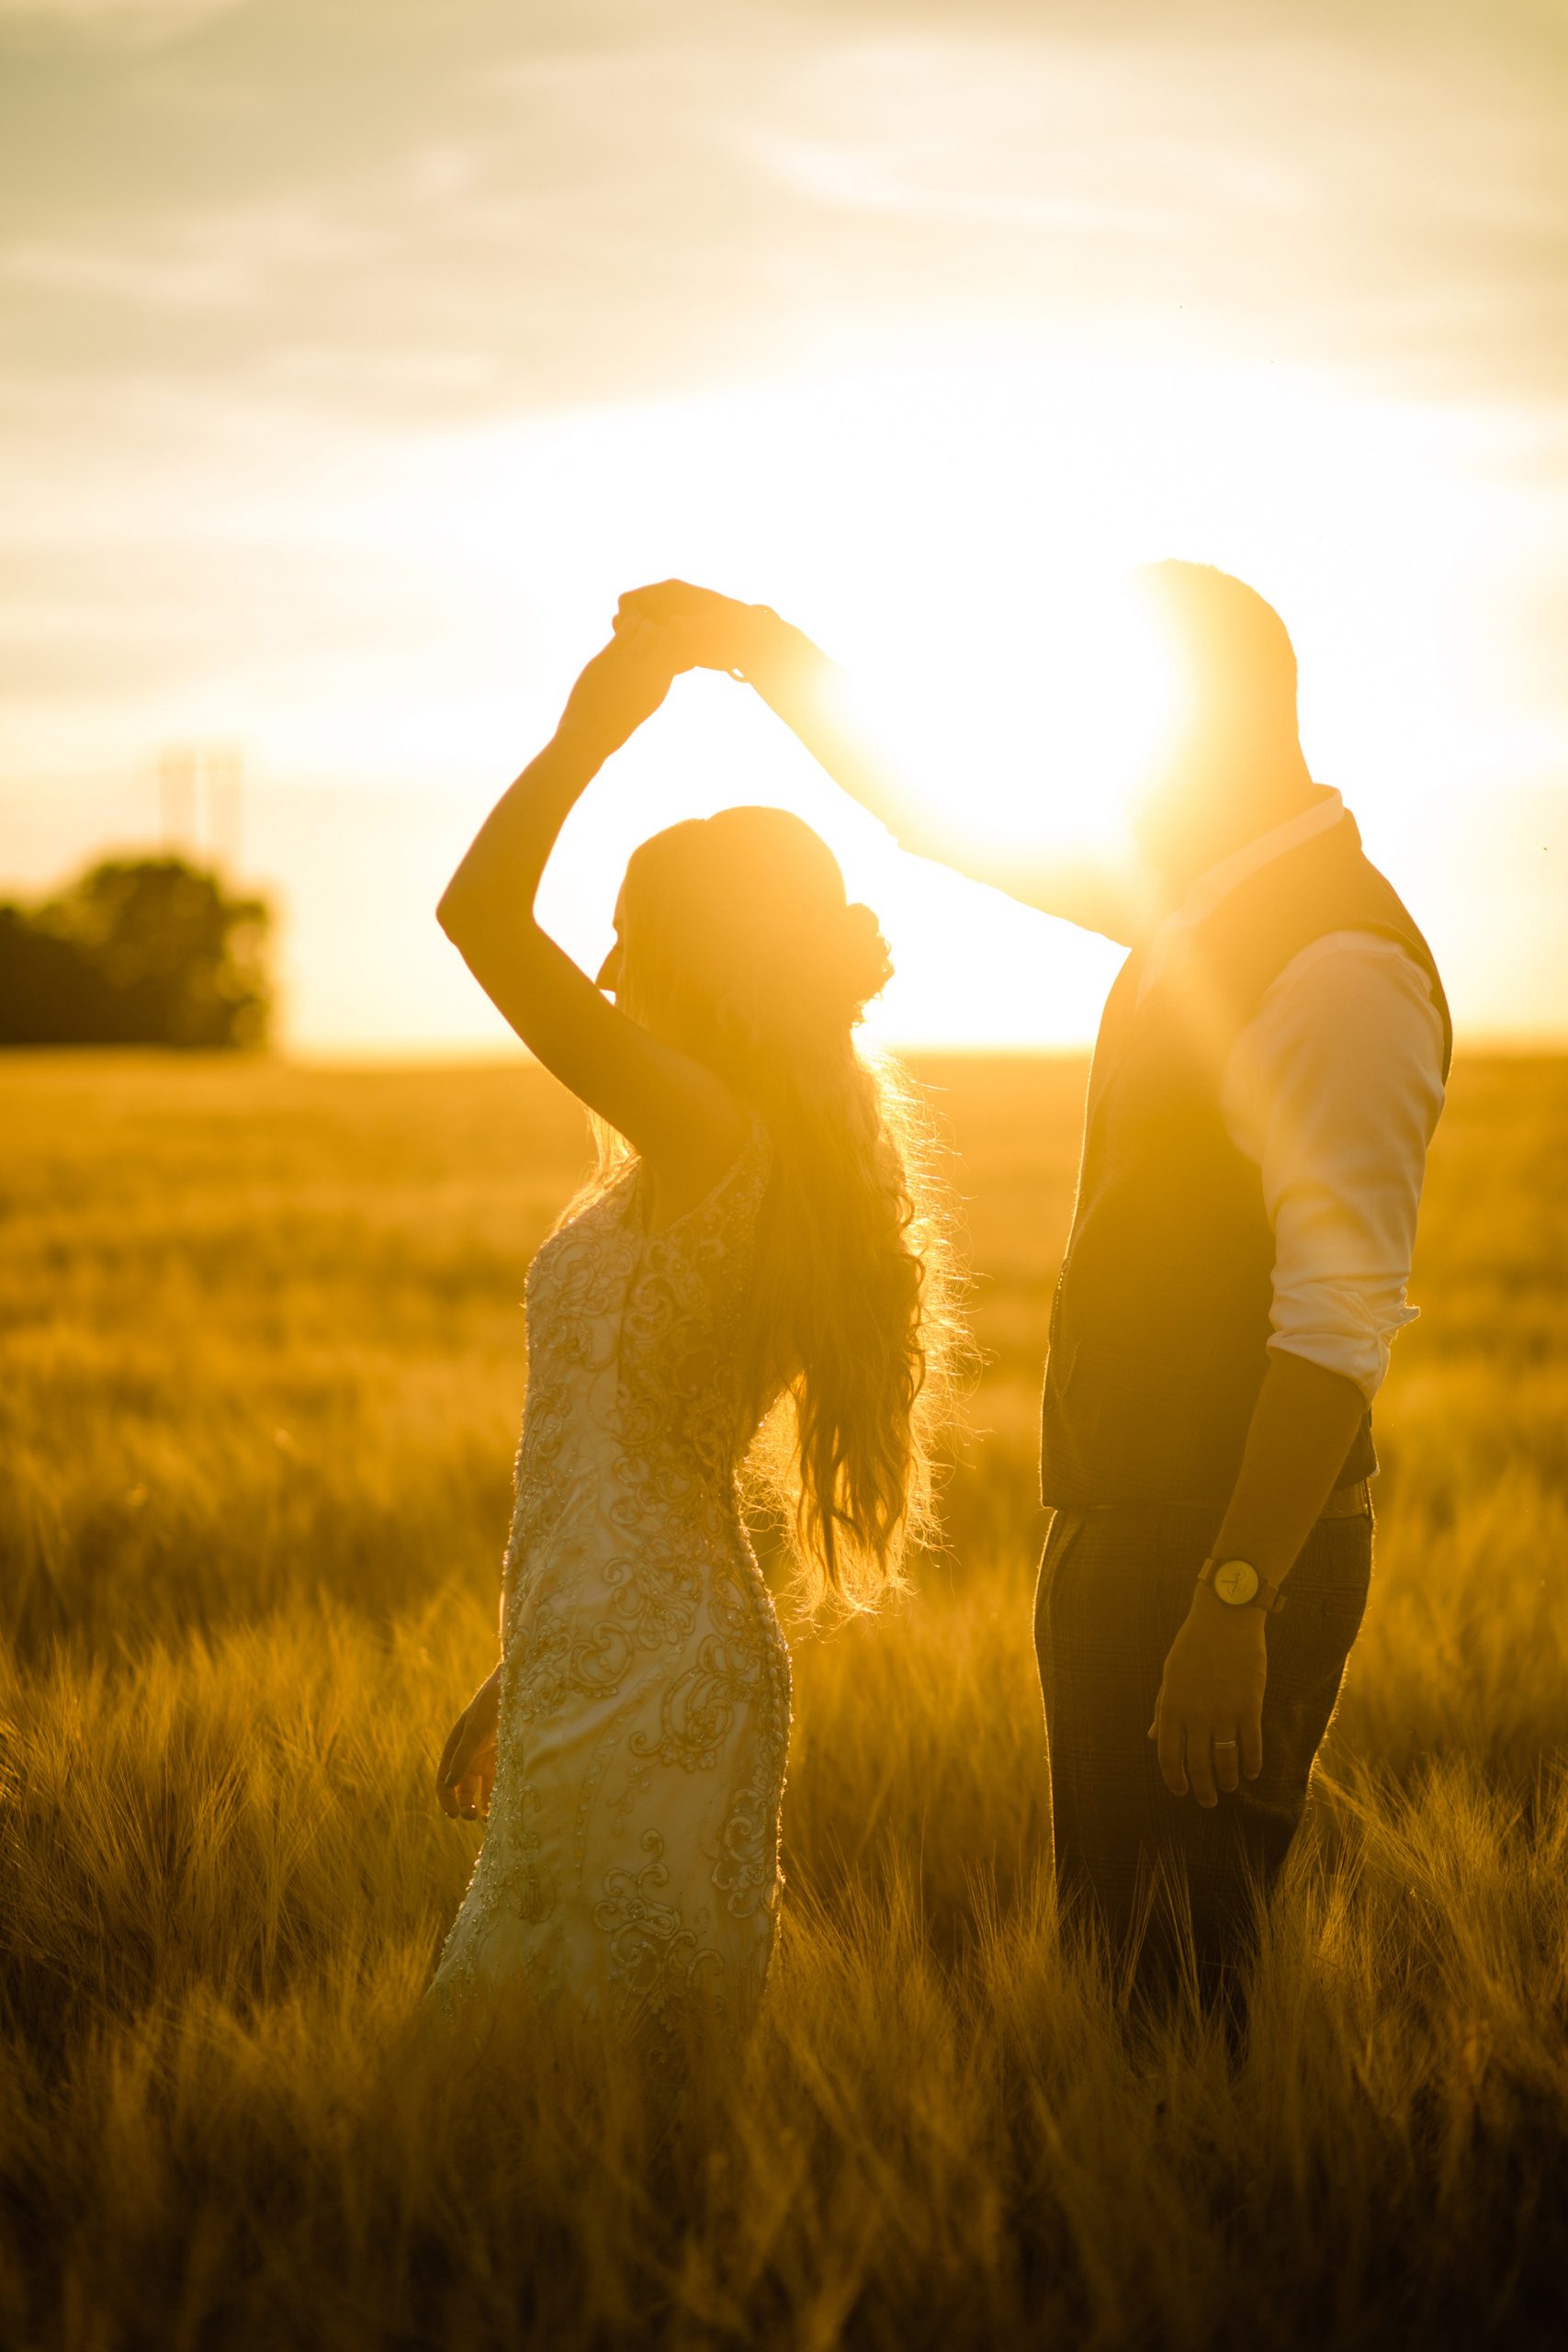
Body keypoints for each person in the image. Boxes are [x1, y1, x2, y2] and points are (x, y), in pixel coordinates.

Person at [618, 563, 1450, 2010]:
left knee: (1177, 1995)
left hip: (1216, 1558)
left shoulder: (1334, 964)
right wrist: (759, 651)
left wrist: (1236, 1601)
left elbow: (1336, 1328)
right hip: (1135, 1543)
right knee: (1125, 1973)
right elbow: (938, 815)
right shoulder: (1206, 907)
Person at [426, 621, 957, 2046]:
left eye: (624, 935)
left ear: (700, 956)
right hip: (596, 1649)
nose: (598, 972)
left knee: (571, 2069)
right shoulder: (716, 1151)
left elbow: (477, 919)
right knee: (556, 2074)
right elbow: (629, 1456)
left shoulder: (718, 1136)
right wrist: (521, 1667)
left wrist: (592, 726)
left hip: (656, 1669)